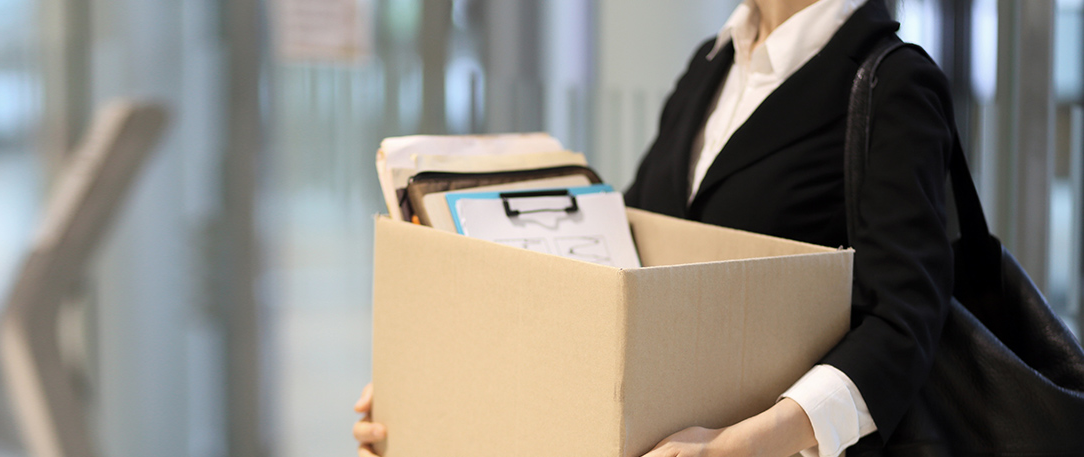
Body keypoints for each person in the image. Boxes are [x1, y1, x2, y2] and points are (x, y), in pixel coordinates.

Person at [355, 0, 958, 455]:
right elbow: (633, 248)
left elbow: (905, 320)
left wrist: (745, 444)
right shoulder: (714, 63)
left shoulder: (892, 84)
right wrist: (437, 382)